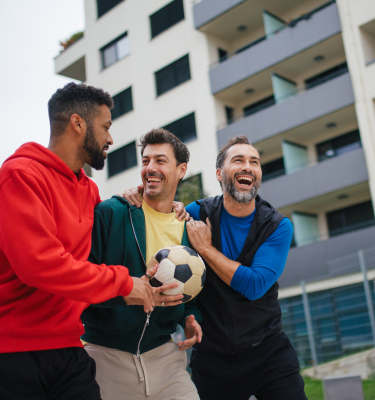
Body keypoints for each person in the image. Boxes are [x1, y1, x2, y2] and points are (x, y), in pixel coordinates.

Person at [0, 83, 161, 400]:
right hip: (2, 347)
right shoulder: (21, 175)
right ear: (77, 123)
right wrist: (124, 284)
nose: (110, 138)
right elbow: (40, 264)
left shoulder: (88, 190)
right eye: (106, 127)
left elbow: (87, 266)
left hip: (66, 347)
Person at [123, 135, 307, 399]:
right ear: (220, 174)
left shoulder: (277, 226)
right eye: (238, 160)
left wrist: (207, 249)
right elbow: (159, 213)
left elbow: (254, 285)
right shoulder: (195, 214)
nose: (248, 166)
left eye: (254, 162)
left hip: (268, 354)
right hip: (211, 359)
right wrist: (133, 194)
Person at [81, 129, 203, 400]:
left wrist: (191, 318)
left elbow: (189, 293)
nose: (150, 168)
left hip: (166, 359)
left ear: (181, 170)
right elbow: (80, 284)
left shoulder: (189, 230)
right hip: (105, 358)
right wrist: (127, 294)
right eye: (146, 161)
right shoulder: (111, 213)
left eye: (160, 160)